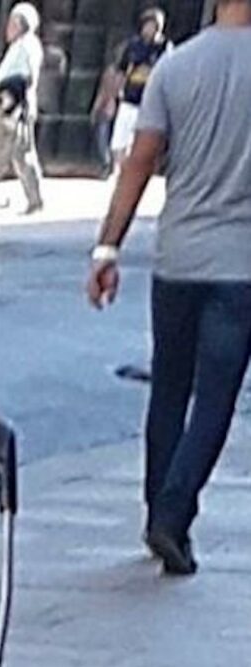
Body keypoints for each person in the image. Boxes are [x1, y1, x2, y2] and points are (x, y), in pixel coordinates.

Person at [87, 0, 251, 576]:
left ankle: (158, 505)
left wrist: (108, 247)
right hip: (241, 265)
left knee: (169, 386)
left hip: (177, 258)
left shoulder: (175, 68)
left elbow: (140, 161)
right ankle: (174, 512)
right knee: (215, 398)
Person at [0, 2, 45, 215]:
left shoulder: (26, 46)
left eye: (12, 23)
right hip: (14, 110)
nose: (8, 27)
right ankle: (35, 199)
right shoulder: (22, 46)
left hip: (10, 111)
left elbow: (19, 80)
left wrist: (5, 107)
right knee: (22, 156)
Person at [110, 8, 171, 168]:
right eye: (147, 25)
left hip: (149, 102)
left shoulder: (164, 48)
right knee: (119, 140)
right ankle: (118, 168)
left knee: (140, 141)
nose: (148, 29)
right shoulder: (133, 45)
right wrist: (115, 94)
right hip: (129, 98)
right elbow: (121, 71)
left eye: (152, 26)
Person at [90, 44, 124, 177]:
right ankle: (109, 164)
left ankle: (109, 164)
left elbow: (104, 91)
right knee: (106, 137)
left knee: (105, 138)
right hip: (112, 106)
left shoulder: (116, 71)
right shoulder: (114, 71)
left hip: (115, 107)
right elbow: (105, 91)